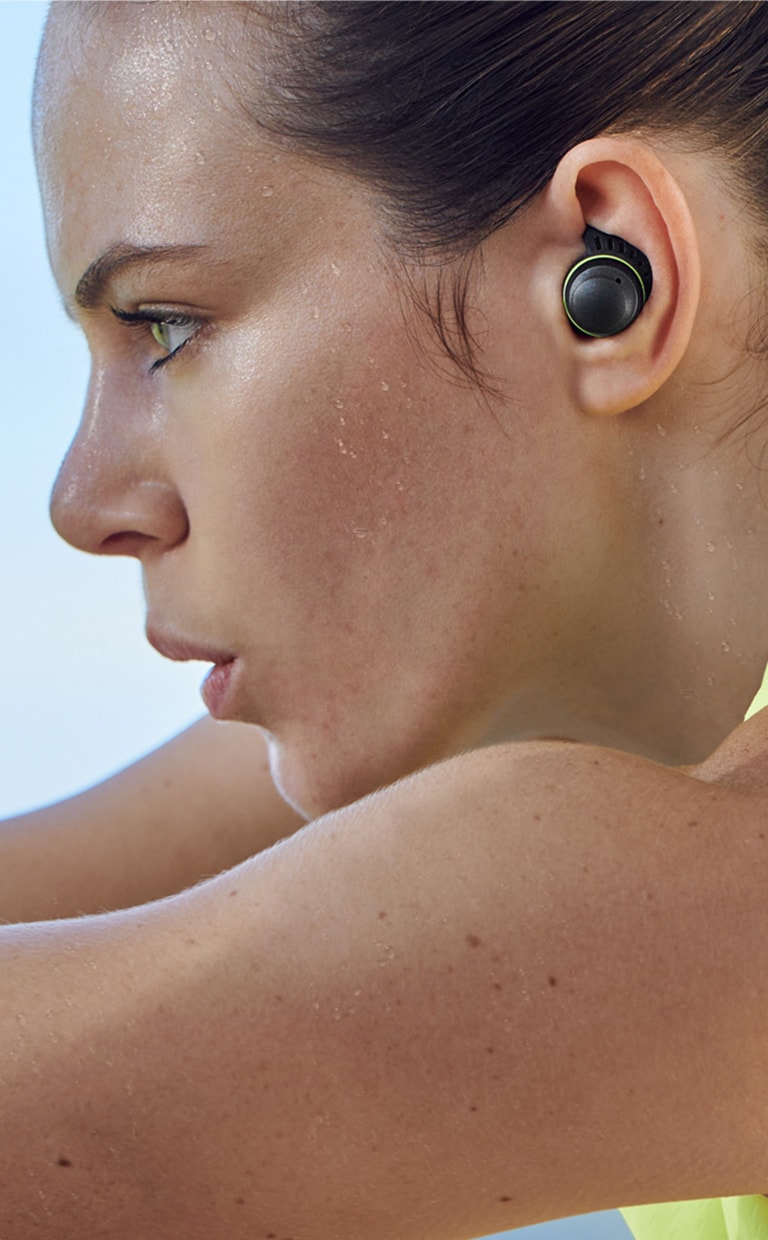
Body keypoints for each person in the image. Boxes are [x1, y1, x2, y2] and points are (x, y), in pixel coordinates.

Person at [4, 1, 768, 1236]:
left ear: (606, 279)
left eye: (167, 324)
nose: (84, 502)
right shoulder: (558, 693)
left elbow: (83, 1122)